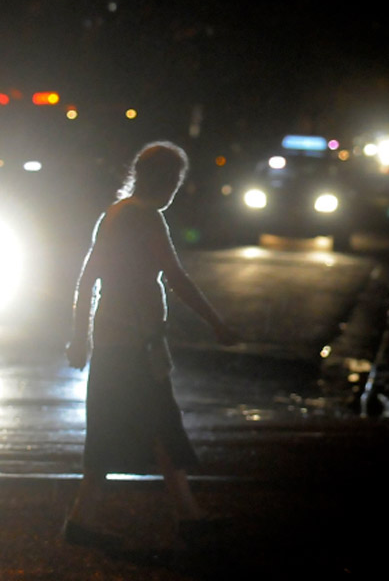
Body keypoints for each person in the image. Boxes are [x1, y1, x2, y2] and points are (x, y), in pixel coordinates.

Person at [64, 141, 239, 547]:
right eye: (175, 178)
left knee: (131, 428)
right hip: (138, 345)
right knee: (160, 425)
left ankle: (90, 519)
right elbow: (175, 277)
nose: (176, 187)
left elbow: (88, 278)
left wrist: (80, 337)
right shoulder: (146, 218)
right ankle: (178, 517)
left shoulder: (113, 214)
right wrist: (216, 322)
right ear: (163, 180)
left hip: (114, 341)